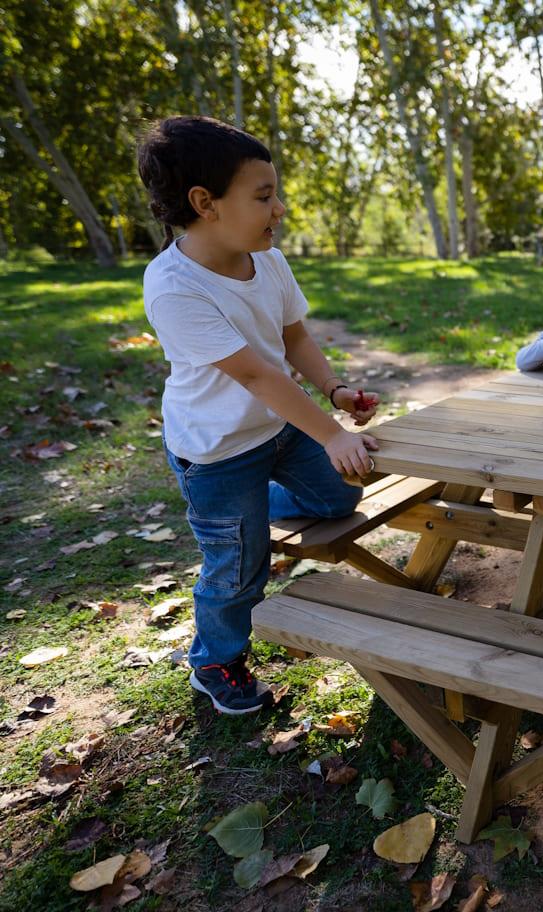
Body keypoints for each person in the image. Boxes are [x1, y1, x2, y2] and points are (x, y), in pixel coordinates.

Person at [138, 115, 380, 714]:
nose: (280, 209)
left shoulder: (266, 259)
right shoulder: (173, 286)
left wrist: (335, 389)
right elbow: (255, 374)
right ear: (205, 203)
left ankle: (243, 512)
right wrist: (330, 434)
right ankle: (215, 659)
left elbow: (293, 338)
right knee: (240, 566)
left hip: (279, 428)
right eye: (264, 196)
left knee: (340, 500)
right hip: (217, 451)